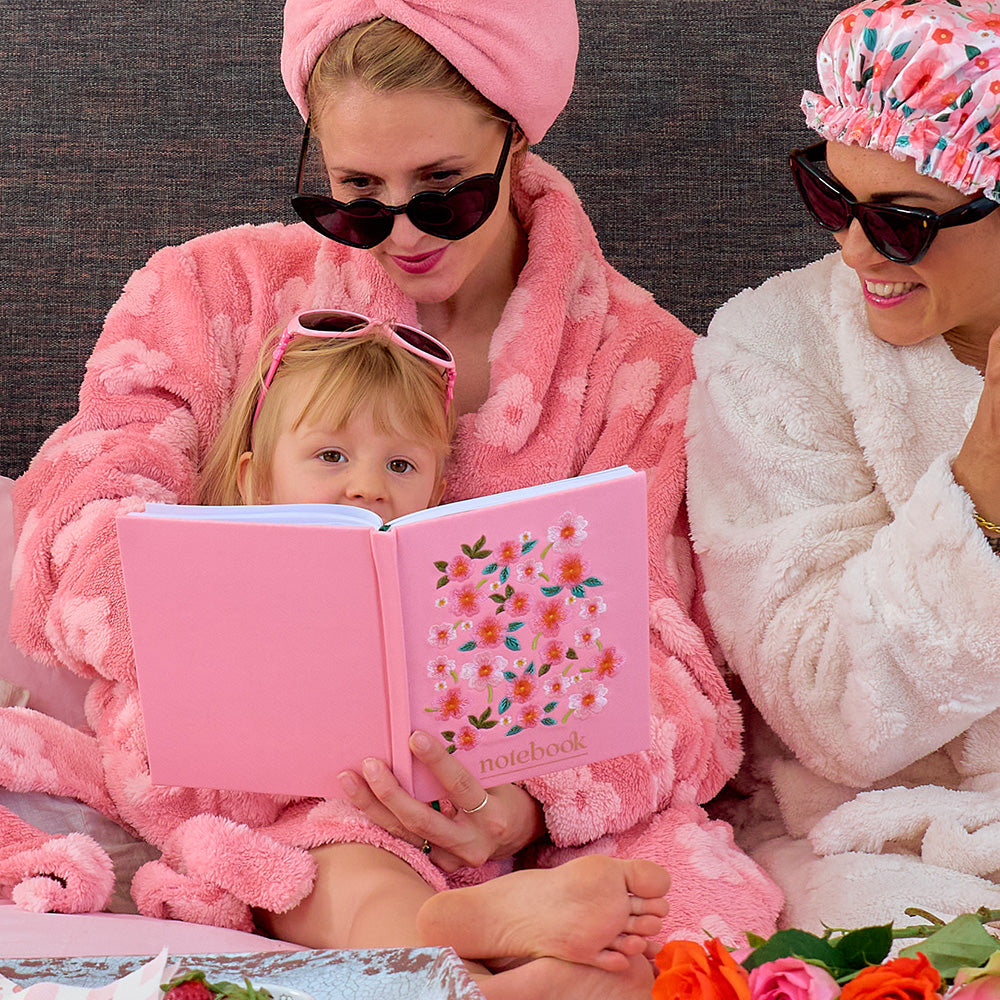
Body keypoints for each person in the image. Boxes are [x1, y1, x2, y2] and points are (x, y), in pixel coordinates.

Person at [8, 0, 780, 993]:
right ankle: (465, 943)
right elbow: (78, 517)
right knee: (294, 843)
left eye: (444, 194)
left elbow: (683, 662)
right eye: (356, 196)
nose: (402, 233)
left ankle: (508, 936)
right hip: (271, 769)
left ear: (516, 140)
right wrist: (232, 623)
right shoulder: (212, 294)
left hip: (517, 791)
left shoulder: (645, 366)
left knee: (670, 936)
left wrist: (527, 802)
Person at [196, 308, 673, 986]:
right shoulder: (214, 576)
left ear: (436, 490)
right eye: (331, 456)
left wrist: (513, 782)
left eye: (399, 463)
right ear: (253, 480)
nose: (367, 485)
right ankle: (501, 959)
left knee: (351, 894)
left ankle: (485, 941)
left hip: (450, 821)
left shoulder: (457, 592)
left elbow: (533, 698)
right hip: (326, 826)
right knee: (351, 876)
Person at [687, 0, 1000, 933]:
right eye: (832, 195)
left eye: (906, 220)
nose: (857, 248)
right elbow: (826, 713)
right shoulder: (770, 351)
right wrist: (981, 489)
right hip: (899, 848)